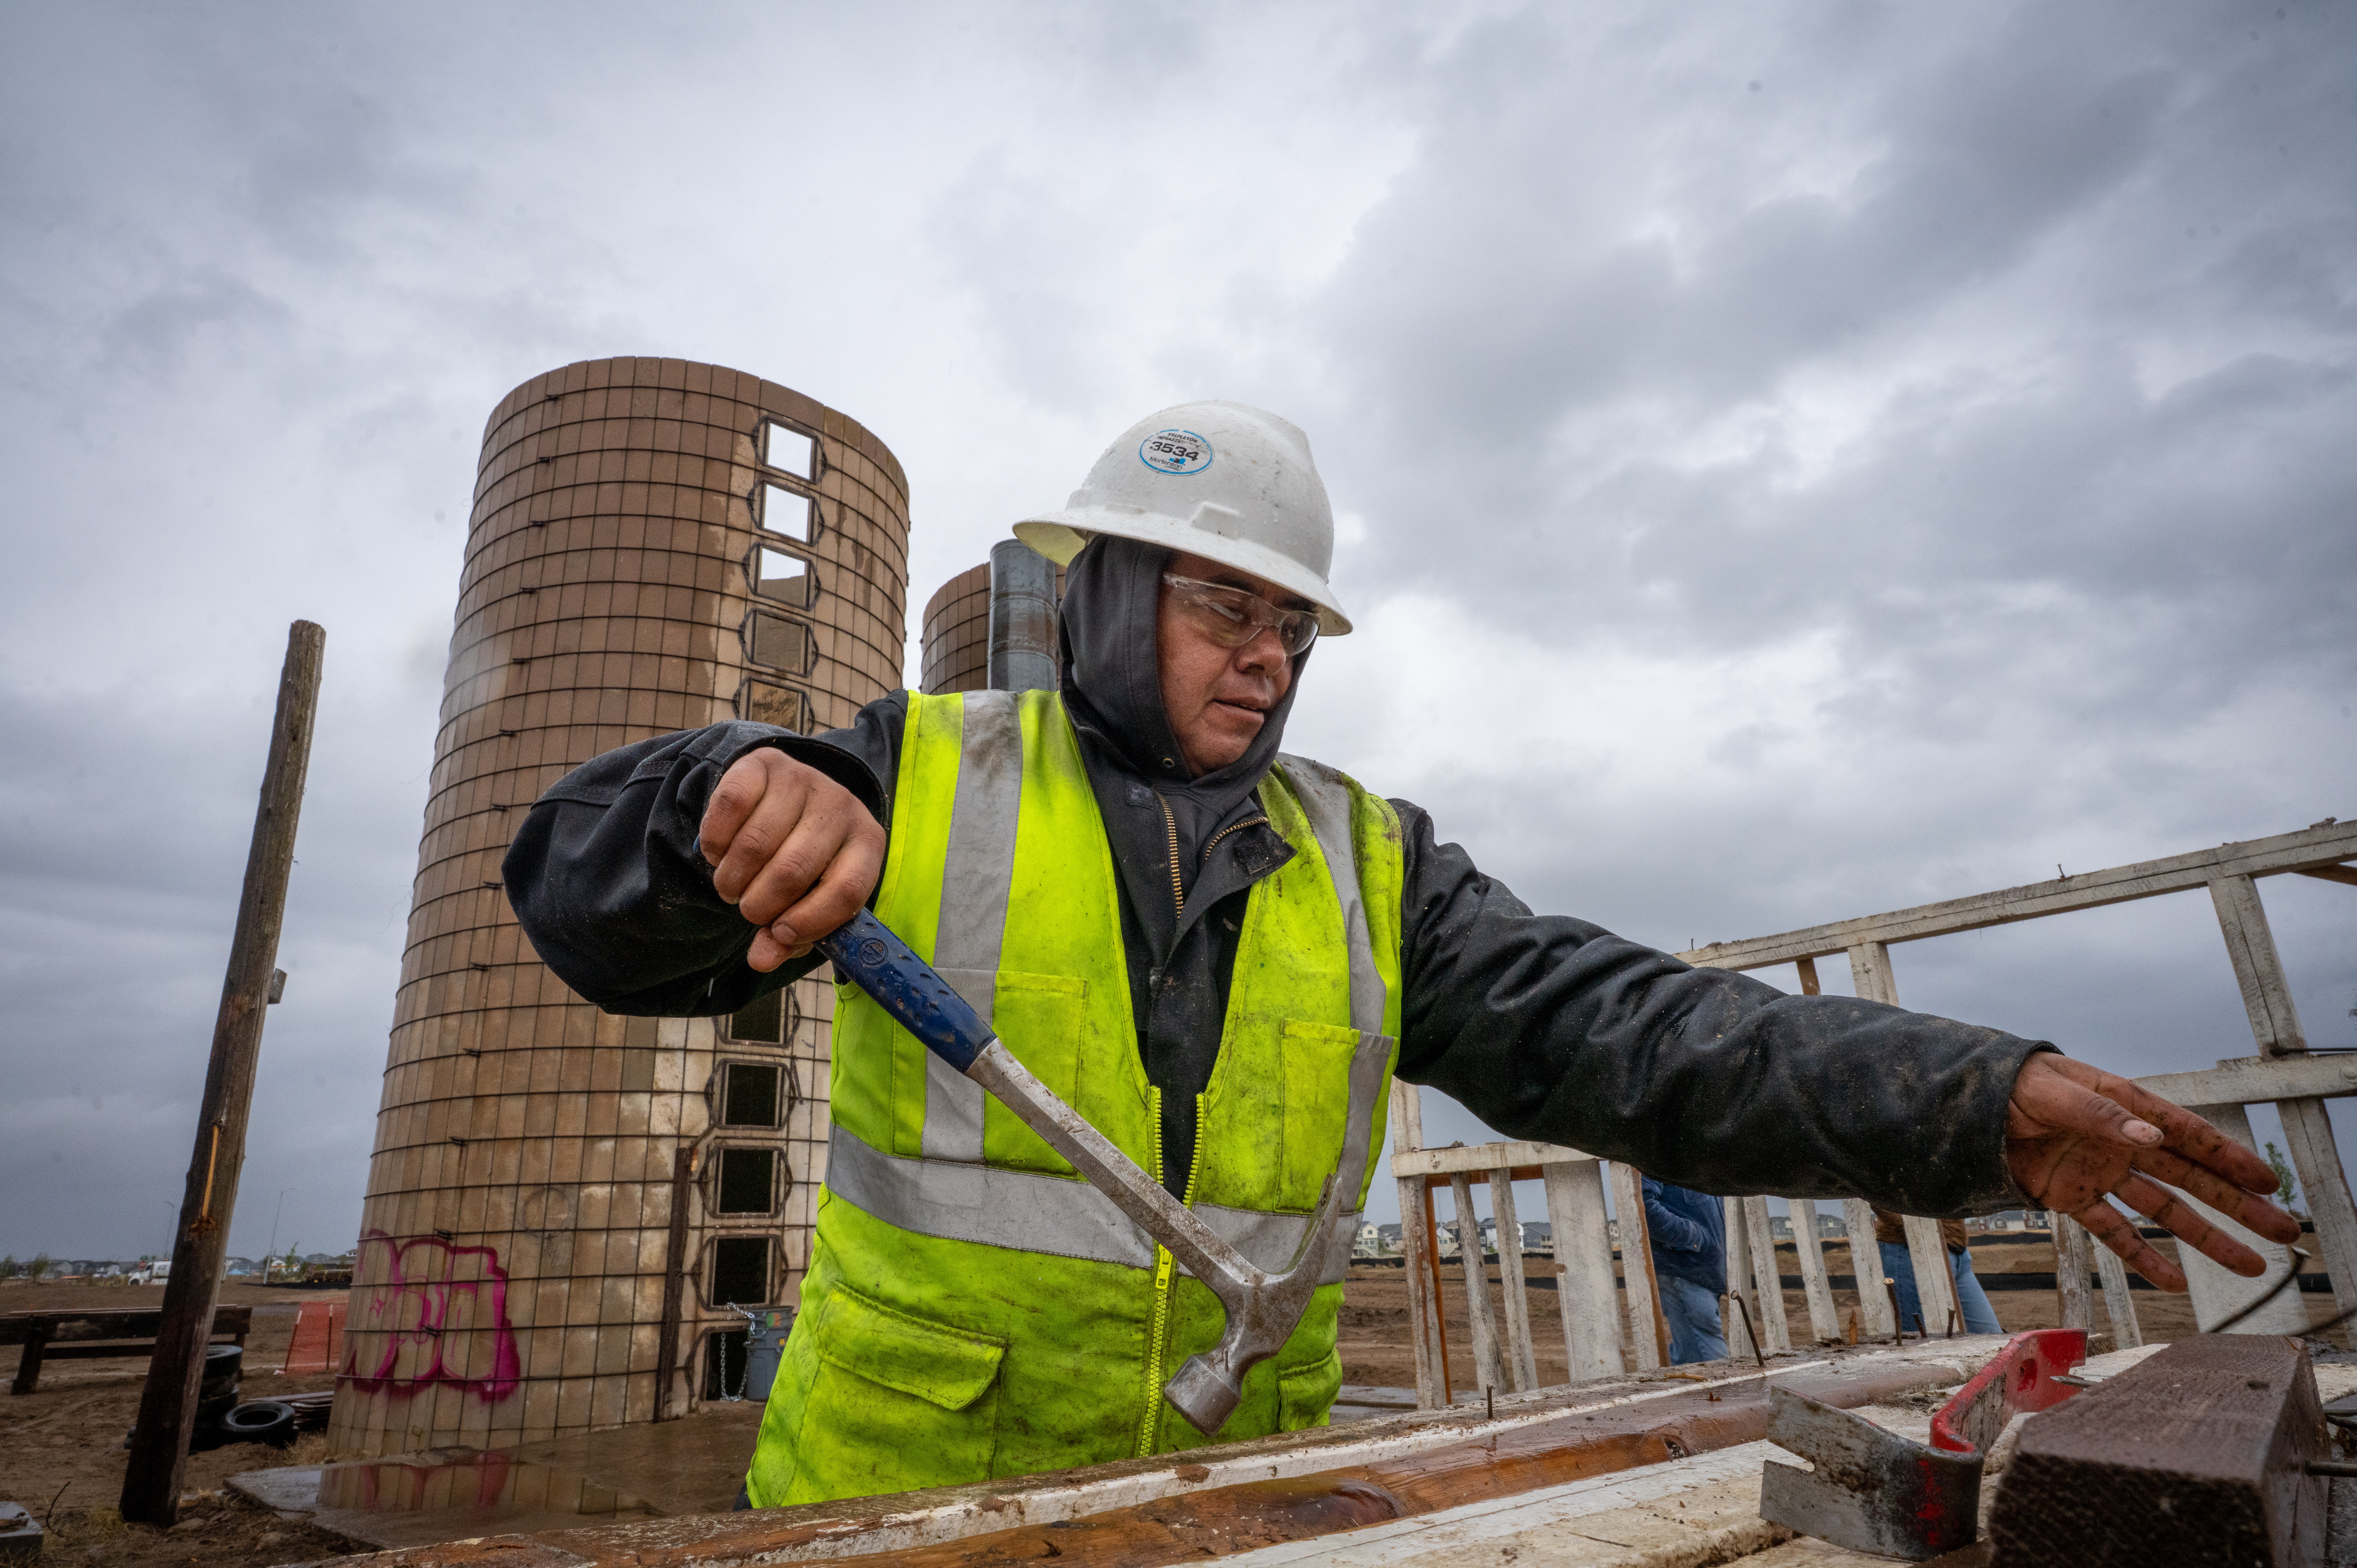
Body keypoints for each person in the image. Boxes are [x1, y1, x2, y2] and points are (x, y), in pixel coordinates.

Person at [506, 400, 2299, 1509]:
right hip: (902, 1513)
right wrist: (702, 795)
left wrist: (1969, 1097)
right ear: (1101, 595)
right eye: (1229, 605)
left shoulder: (1369, 862)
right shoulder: (915, 774)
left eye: (1293, 624)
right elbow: (587, 897)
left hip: (1230, 1502)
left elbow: (1633, 1035)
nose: (1269, 656)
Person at [1872, 1208, 2003, 1335]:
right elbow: (1878, 1197)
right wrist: (1922, 1235)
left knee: (1992, 1337)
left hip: (1958, 1254)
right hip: (1910, 1254)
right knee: (1921, 1343)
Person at [1642, 1178, 1728, 1364]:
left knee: (1691, 1356)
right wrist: (1694, 1237)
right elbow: (1643, 1206)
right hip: (1684, 1271)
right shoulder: (1659, 1153)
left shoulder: (1697, 1159)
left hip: (1705, 1273)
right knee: (1711, 1364)